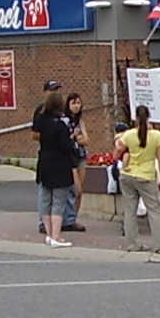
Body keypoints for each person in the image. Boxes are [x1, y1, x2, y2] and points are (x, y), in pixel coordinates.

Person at [115, 105, 160, 254]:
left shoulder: (128, 135)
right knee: (155, 210)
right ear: (149, 117)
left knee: (130, 210)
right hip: (146, 176)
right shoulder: (157, 136)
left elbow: (116, 153)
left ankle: (133, 243)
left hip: (128, 174)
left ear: (135, 118)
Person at [34, 90, 79, 248]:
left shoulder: (42, 122)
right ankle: (56, 236)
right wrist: (72, 139)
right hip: (59, 165)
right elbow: (65, 146)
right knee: (59, 201)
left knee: (46, 200)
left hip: (44, 162)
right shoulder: (61, 125)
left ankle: (48, 234)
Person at [33, 78, 63, 234]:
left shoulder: (62, 113)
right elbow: (34, 134)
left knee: (61, 194)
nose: (55, 93)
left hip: (59, 158)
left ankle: (61, 221)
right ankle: (43, 223)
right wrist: (49, 137)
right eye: (52, 90)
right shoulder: (41, 112)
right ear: (45, 92)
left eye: (57, 90)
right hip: (47, 155)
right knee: (46, 193)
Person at [60, 92, 89, 232]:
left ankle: (73, 218)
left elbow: (86, 140)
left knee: (80, 191)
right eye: (73, 103)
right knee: (75, 189)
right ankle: (67, 218)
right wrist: (75, 137)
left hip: (81, 155)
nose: (77, 106)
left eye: (78, 103)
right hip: (70, 157)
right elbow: (68, 138)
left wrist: (78, 138)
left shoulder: (80, 121)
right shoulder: (65, 120)